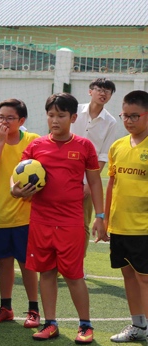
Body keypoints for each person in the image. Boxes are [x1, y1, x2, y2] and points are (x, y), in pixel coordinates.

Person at [12, 93, 104, 344]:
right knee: (47, 273)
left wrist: (100, 215)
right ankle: (50, 323)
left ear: (73, 117)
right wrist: (15, 189)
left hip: (71, 221)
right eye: (51, 115)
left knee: (74, 275)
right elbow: (18, 174)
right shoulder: (36, 146)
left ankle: (85, 325)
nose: (55, 120)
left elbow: (95, 182)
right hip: (41, 220)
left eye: (61, 115)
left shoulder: (84, 146)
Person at [0, 99, 41, 328]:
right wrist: (0, 144)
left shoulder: (33, 140)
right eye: (0, 117)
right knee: (4, 262)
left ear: (21, 121)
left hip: (26, 215)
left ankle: (33, 309)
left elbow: (40, 173)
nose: (2, 121)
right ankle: (6, 307)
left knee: (27, 264)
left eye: (9, 118)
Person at [105, 90, 148, 343]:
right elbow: (112, 184)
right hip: (120, 225)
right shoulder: (117, 146)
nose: (129, 121)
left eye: (135, 116)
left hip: (144, 227)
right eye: (125, 116)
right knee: (128, 275)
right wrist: (103, 219)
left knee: (145, 278)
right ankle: (138, 326)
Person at [70, 78, 119, 256]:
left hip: (87, 180)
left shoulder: (111, 121)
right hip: (63, 174)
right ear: (90, 91)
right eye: (99, 89)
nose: (103, 94)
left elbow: (103, 155)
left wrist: (89, 184)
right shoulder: (73, 111)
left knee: (82, 224)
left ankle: (77, 264)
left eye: (108, 91)